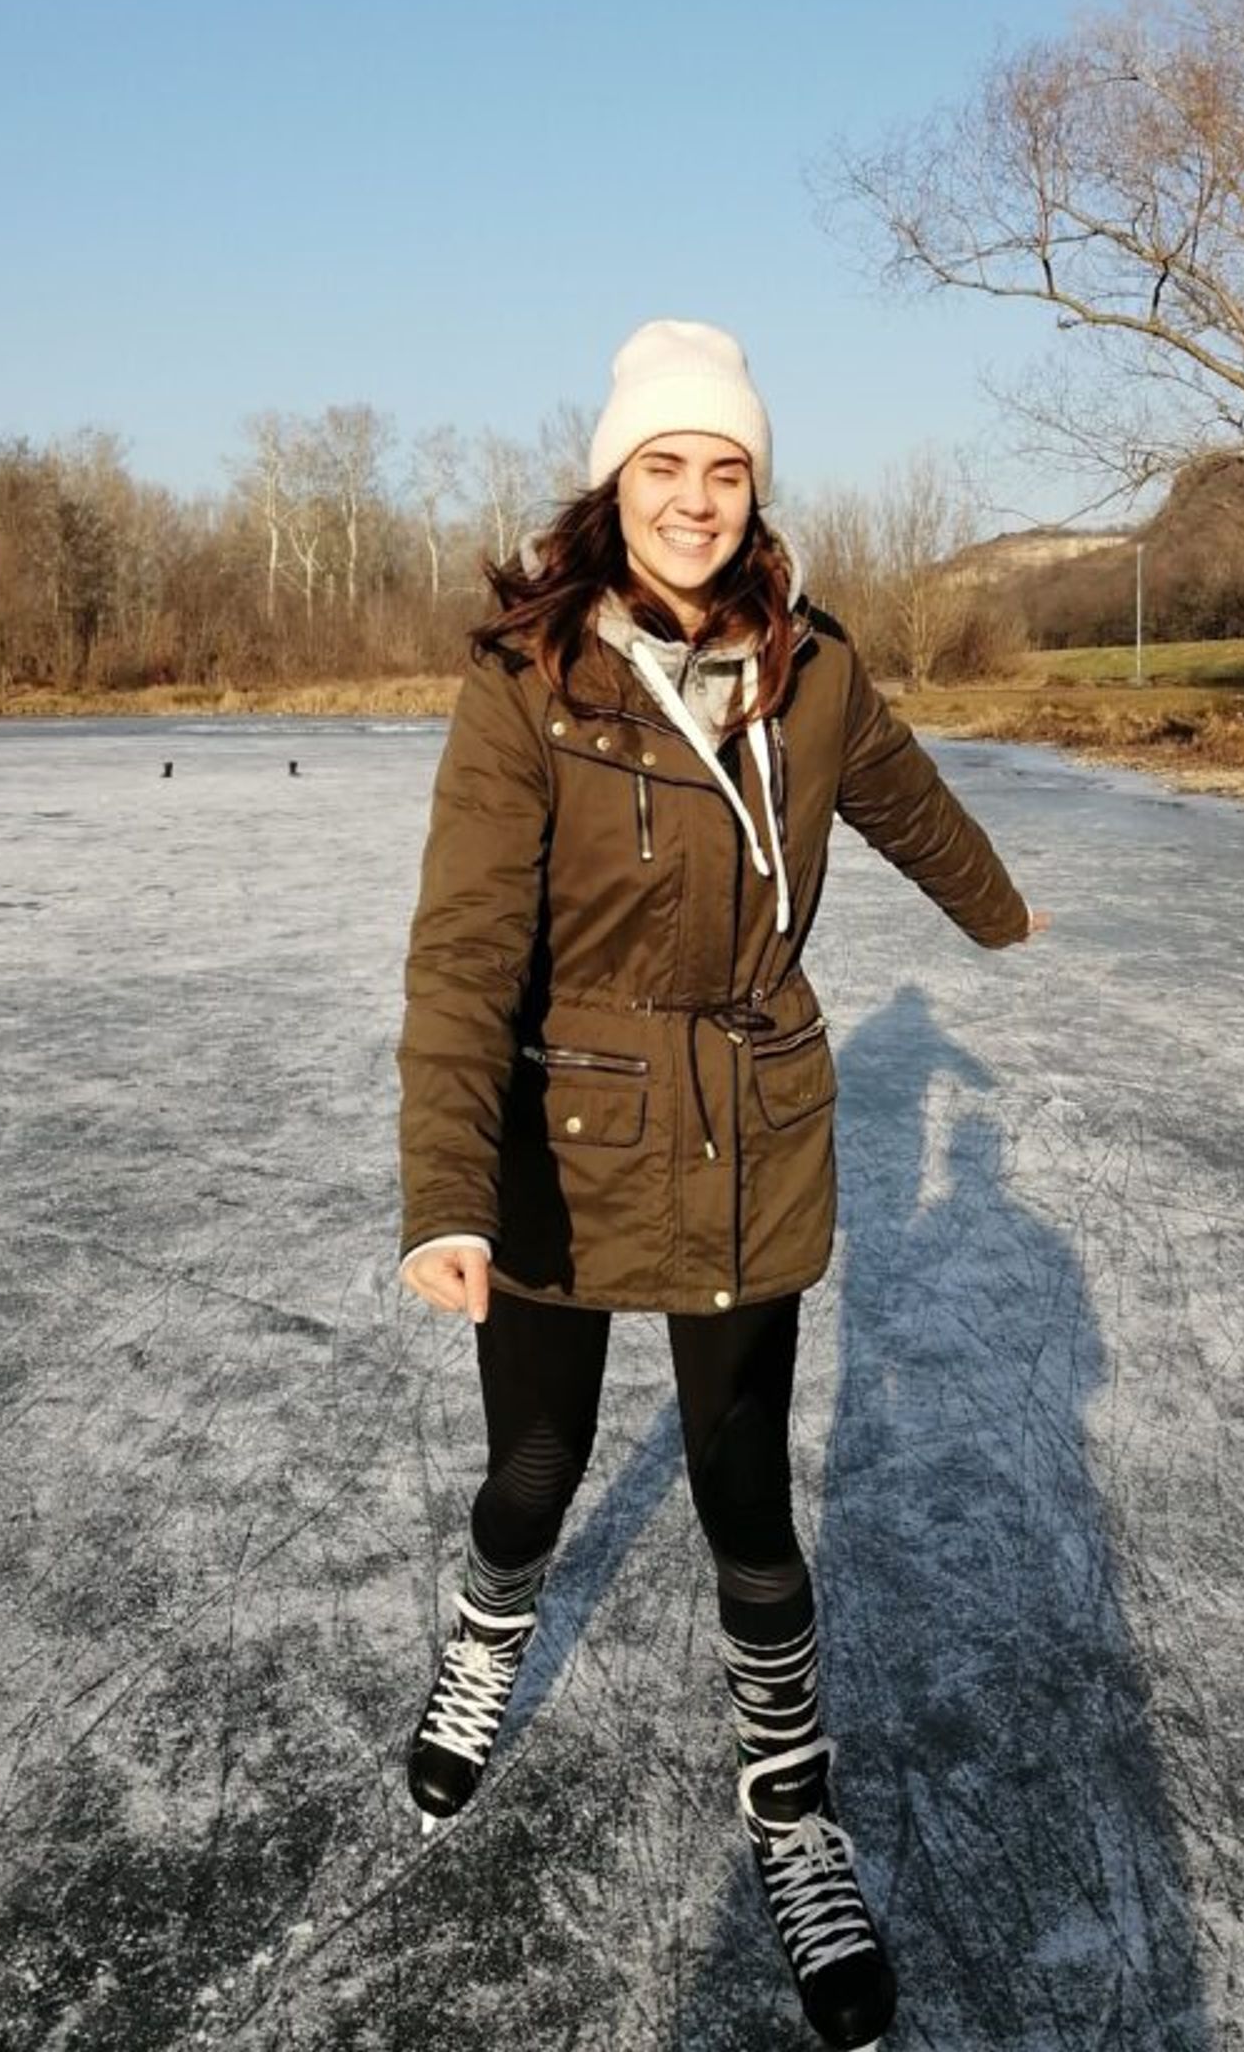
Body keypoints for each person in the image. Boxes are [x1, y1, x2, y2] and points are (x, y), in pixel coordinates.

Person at [397, 319, 1047, 2050]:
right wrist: (446, 1193)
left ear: (758, 485)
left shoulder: (810, 665)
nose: (695, 498)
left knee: (746, 1491)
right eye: (663, 465)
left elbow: (894, 787)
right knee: (531, 1470)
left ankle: (792, 1812)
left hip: (755, 1130)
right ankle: (482, 1648)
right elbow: (466, 953)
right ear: (616, 484)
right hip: (568, 1140)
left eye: (726, 466)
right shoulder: (529, 681)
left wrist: (1002, 904)